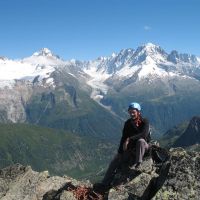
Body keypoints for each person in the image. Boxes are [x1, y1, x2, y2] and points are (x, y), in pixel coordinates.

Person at [95, 102, 150, 190]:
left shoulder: (145, 121)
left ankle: (138, 163)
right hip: (132, 148)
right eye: (130, 112)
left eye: (133, 112)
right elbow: (123, 137)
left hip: (144, 147)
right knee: (115, 162)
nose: (131, 114)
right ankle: (105, 183)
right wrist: (120, 152)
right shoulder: (128, 123)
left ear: (138, 112)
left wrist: (130, 139)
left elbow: (144, 135)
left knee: (141, 141)